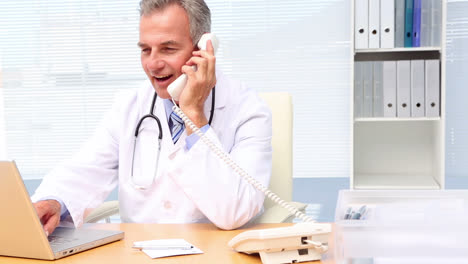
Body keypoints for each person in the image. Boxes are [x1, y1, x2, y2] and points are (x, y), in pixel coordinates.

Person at [32, 0, 272, 235]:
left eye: (168, 49)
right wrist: (53, 201)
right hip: (138, 252)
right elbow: (86, 169)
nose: (153, 64)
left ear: (203, 49)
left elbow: (236, 212)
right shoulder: (129, 106)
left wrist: (193, 113)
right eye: (146, 50)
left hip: (214, 253)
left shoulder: (247, 110)